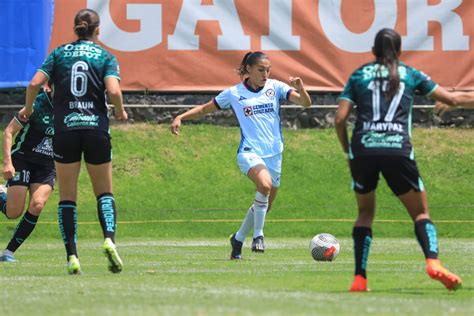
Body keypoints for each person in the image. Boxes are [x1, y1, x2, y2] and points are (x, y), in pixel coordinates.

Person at [335, 28, 466, 292]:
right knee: (420, 212)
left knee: (365, 213)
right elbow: (451, 98)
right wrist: (458, 103)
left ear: (372, 51)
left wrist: (349, 152)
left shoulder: (358, 75)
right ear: (400, 51)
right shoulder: (410, 73)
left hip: (364, 149)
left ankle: (360, 279)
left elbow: (339, 119)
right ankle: (433, 262)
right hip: (398, 149)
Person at [171, 51, 311, 259]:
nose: (266, 74)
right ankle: (258, 236)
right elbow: (204, 109)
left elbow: (305, 103)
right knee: (264, 185)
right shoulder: (234, 93)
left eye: (268, 70)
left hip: (274, 154)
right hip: (249, 152)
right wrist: (181, 117)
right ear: (248, 69)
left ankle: (237, 239)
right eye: (261, 70)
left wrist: (301, 89)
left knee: (264, 204)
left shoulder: (276, 87)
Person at [18, 9, 128, 274]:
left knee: (68, 196)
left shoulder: (58, 53)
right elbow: (113, 90)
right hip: (95, 130)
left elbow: (34, 84)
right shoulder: (105, 56)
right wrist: (121, 111)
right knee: (104, 192)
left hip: (65, 130)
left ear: (76, 28)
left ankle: (72, 257)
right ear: (97, 30)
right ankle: (109, 240)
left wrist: (28, 109)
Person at [0, 89, 55, 262]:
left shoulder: (70, 108)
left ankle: (8, 252)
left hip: (47, 166)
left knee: (37, 205)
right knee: (13, 212)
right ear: (51, 86)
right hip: (23, 160)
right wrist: (7, 163)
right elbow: (9, 131)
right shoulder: (36, 105)